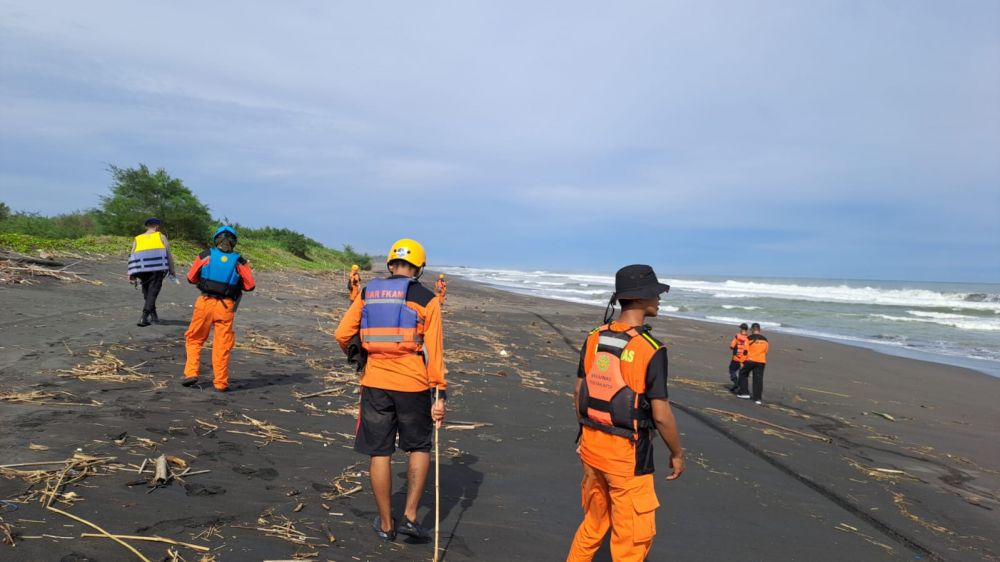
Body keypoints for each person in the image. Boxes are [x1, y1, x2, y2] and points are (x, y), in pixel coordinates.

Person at [567, 264, 684, 562]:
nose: (659, 300)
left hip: (592, 448)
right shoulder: (651, 349)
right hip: (628, 458)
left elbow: (579, 393)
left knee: (592, 526)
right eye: (656, 294)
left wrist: (583, 432)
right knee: (631, 542)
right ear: (642, 298)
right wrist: (677, 452)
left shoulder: (594, 337)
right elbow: (660, 415)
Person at [334, 238, 447, 543]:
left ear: (390, 263)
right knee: (419, 447)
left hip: (375, 383)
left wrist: (359, 354)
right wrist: (440, 392)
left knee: (379, 451)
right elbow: (434, 352)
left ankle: (386, 524)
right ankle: (410, 517)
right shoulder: (427, 298)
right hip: (414, 383)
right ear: (419, 267)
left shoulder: (369, 292)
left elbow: (342, 333)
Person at [181, 226, 256, 392]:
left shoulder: (205, 255)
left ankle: (191, 373)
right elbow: (250, 285)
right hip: (226, 306)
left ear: (216, 240)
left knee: (194, 339)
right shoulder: (239, 261)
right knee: (222, 344)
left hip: (205, 302)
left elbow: (191, 278)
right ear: (234, 242)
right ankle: (221, 382)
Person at [126, 217, 176, 327]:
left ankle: (154, 317)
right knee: (153, 293)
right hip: (157, 270)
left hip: (141, 270)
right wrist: (172, 270)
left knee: (147, 293)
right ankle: (144, 317)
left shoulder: (138, 238)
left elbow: (132, 256)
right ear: (157, 227)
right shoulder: (161, 237)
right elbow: (168, 254)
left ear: (146, 226)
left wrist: (131, 273)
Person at [736, 322, 769, 404]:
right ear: (760, 330)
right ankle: (757, 399)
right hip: (761, 361)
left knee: (743, 373)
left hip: (750, 360)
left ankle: (744, 393)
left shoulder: (749, 338)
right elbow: (766, 351)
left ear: (751, 330)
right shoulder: (765, 340)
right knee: (758, 379)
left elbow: (745, 351)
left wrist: (741, 361)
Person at [728, 323, 749, 392]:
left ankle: (736, 383)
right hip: (744, 359)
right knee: (742, 374)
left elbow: (731, 346)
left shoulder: (737, 336)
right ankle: (738, 386)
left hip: (736, 358)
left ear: (741, 329)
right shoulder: (748, 338)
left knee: (732, 370)